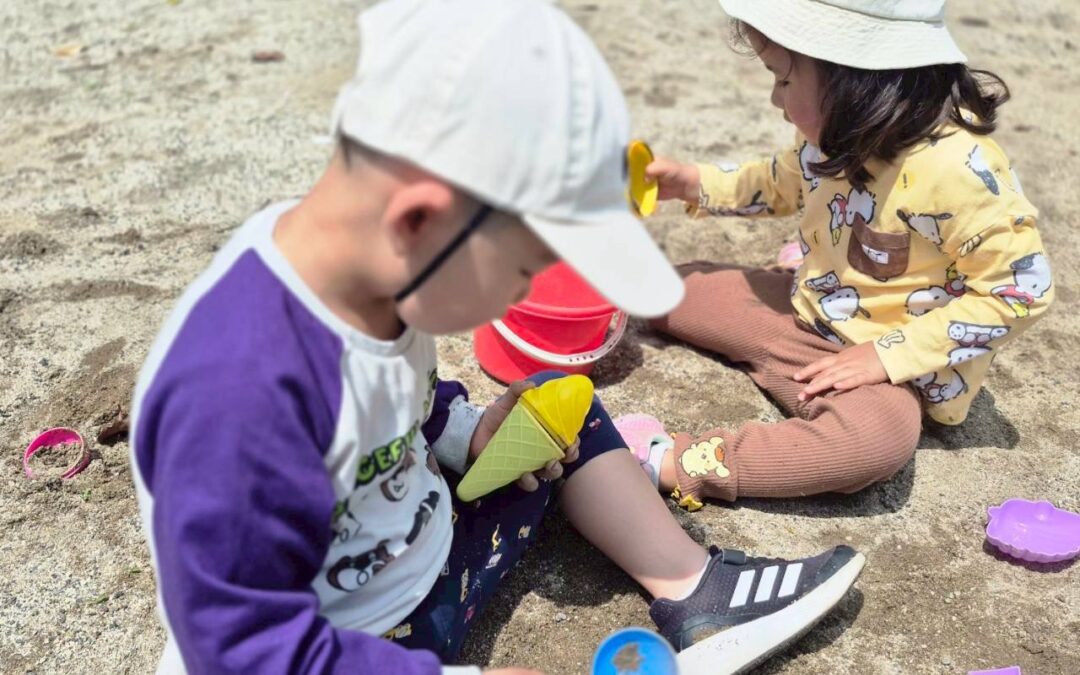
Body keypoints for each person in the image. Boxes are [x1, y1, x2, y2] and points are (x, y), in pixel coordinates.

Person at [129, 1, 863, 673]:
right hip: (348, 642)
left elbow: (405, 399)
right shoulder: (237, 396)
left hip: (422, 538)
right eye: (522, 268)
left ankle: (698, 592)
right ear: (420, 221)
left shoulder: (373, 266)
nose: (525, 294)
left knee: (556, 403)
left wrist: (467, 436)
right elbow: (241, 649)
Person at [619, 0, 1053, 510]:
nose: (774, 99)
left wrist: (887, 356)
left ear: (854, 82)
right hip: (803, 311)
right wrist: (695, 183)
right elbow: (780, 181)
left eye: (783, 79)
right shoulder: (836, 133)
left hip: (885, 371)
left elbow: (1021, 290)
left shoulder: (960, 171)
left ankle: (672, 461)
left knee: (877, 441)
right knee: (669, 289)